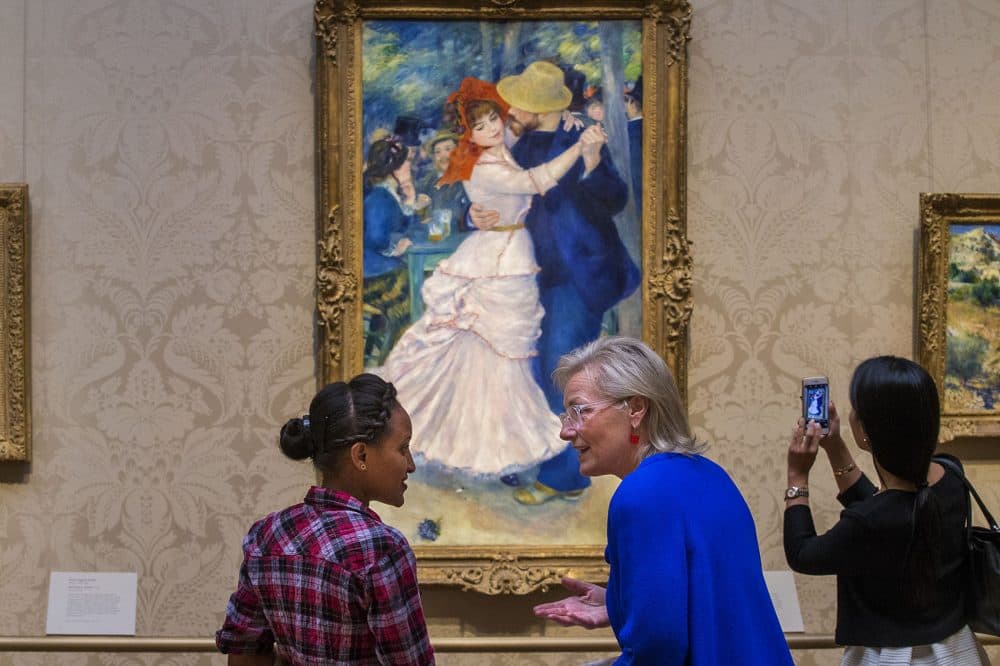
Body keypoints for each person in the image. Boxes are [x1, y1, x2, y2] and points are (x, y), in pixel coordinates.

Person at [377, 77, 607, 479]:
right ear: (469, 134)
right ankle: (492, 446)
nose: (491, 130)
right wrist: (579, 147)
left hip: (514, 255)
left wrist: (567, 118)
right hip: (495, 261)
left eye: (493, 120)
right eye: (479, 127)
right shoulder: (482, 166)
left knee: (509, 354)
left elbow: (526, 130)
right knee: (489, 353)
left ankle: (510, 445)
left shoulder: (503, 147)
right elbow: (533, 182)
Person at [533, 336, 793, 665]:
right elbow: (707, 600)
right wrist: (617, 602)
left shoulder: (641, 494)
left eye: (580, 412)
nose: (566, 432)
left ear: (636, 409)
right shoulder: (710, 475)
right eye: (566, 417)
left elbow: (658, 648)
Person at [478, 60, 640, 503]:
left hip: (578, 280)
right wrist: (473, 213)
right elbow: (487, 190)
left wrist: (590, 163)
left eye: (522, 101)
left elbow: (614, 198)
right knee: (527, 375)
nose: (513, 108)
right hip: (529, 279)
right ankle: (533, 458)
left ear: (539, 105)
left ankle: (564, 476)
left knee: (561, 377)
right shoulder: (522, 145)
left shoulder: (580, 138)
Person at [215, 374, 434, 665]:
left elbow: (244, 653)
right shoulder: (382, 549)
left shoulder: (266, 536)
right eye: (402, 447)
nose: (411, 464)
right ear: (361, 454)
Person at [784, 356, 988, 665]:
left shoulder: (871, 521)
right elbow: (891, 512)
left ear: (866, 430)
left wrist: (797, 477)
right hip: (957, 652)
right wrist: (835, 447)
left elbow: (802, 553)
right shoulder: (951, 475)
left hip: (893, 658)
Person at [362, 136, 427, 362]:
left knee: (422, 285)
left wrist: (409, 200)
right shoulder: (380, 197)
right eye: (406, 161)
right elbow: (376, 238)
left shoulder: (388, 193)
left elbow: (400, 225)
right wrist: (394, 248)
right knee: (415, 300)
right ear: (394, 168)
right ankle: (394, 364)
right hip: (372, 275)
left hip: (378, 269)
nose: (411, 166)